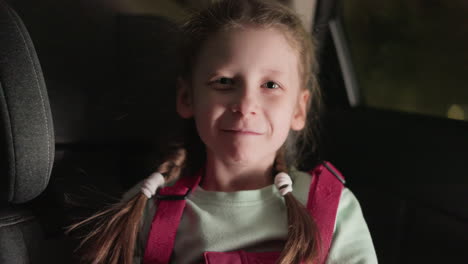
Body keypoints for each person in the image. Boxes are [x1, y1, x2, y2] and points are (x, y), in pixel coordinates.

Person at [69, 0, 378, 263]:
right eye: (224, 82)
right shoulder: (147, 207)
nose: (245, 104)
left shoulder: (331, 207)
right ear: (187, 97)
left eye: (270, 85)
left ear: (299, 109)